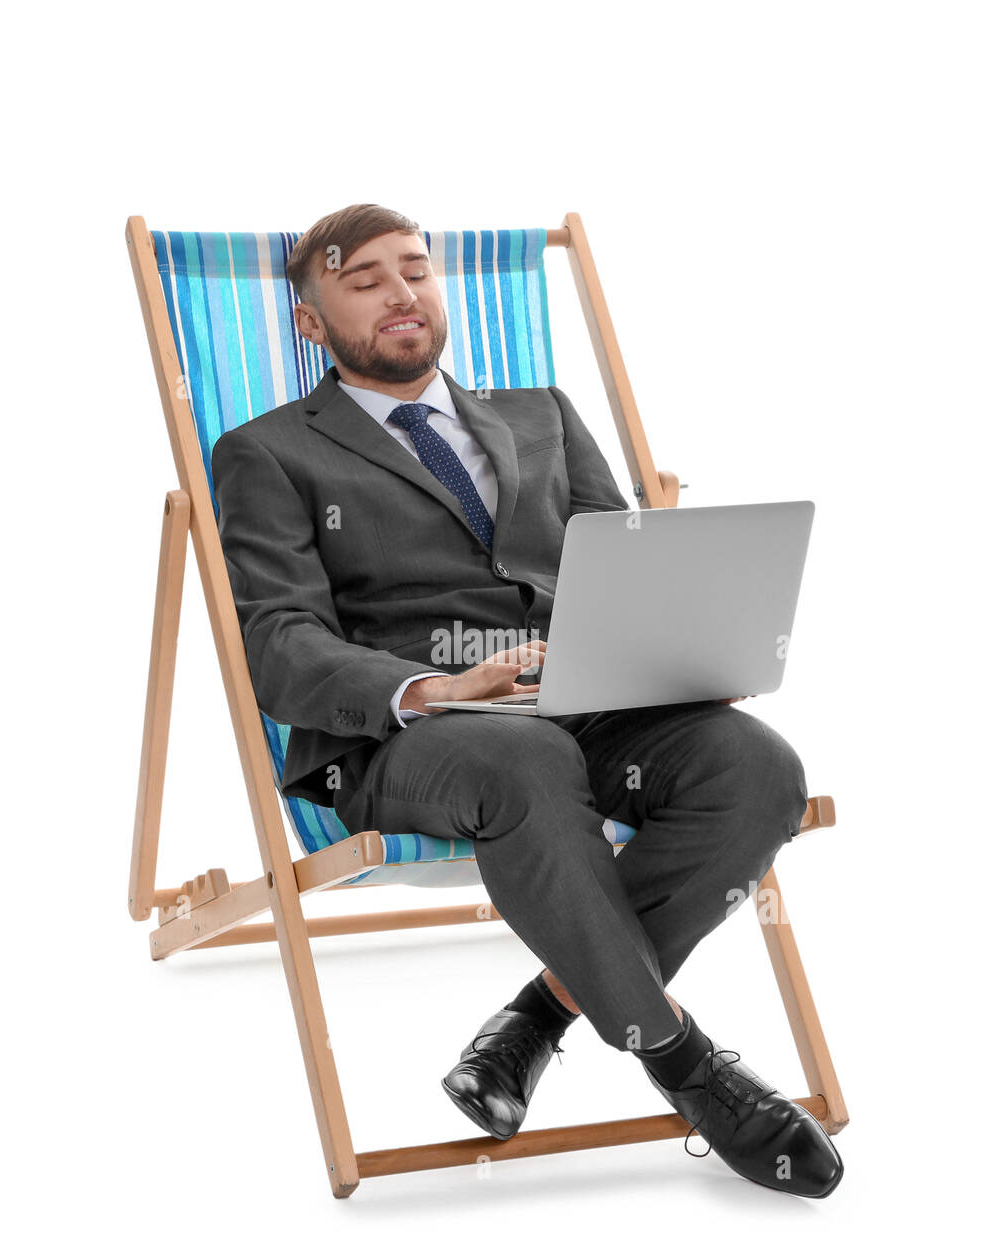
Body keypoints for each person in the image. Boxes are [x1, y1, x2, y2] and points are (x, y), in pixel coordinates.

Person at [210, 203, 843, 1198]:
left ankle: (537, 1018)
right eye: (365, 279)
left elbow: (623, 566)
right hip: (419, 736)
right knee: (528, 764)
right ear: (310, 321)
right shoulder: (267, 452)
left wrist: (677, 652)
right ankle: (688, 1066)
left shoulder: (542, 412)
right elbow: (278, 644)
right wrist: (438, 684)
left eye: (415, 269)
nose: (401, 292)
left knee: (758, 768)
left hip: (594, 702)